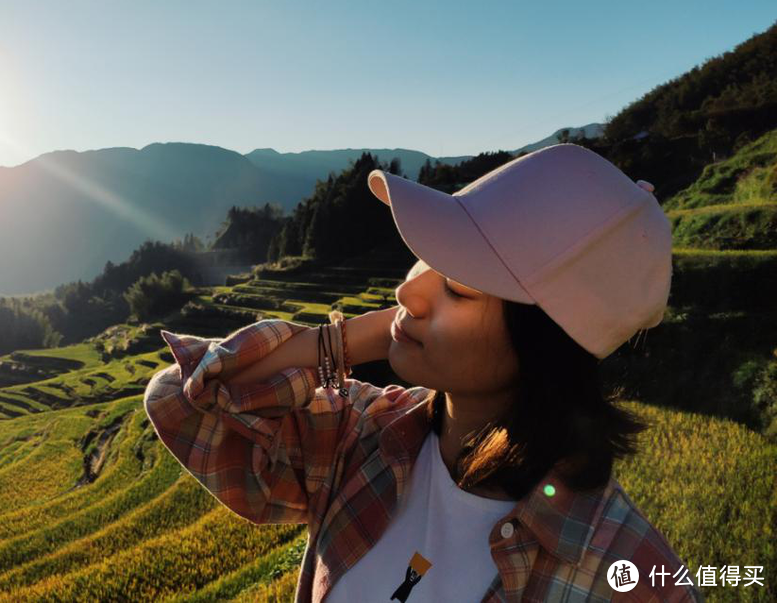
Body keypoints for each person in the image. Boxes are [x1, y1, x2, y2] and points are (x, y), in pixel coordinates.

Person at [144, 144, 704, 602]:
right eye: (425, 262)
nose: (406, 291)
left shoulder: (633, 577)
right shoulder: (362, 438)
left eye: (459, 286)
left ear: (545, 344)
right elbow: (185, 400)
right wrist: (335, 344)